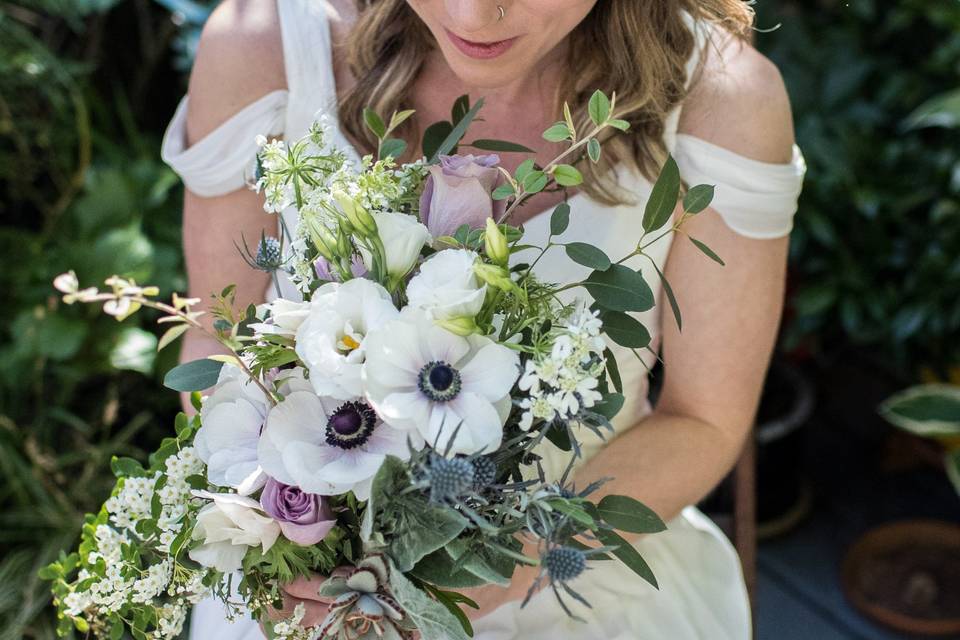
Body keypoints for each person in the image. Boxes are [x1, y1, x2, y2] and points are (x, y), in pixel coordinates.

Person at [161, 0, 807, 638]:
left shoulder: (723, 103)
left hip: (575, 584)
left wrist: (509, 562)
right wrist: (274, 529)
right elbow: (217, 339)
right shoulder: (263, 49)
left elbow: (705, 419)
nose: (471, 17)